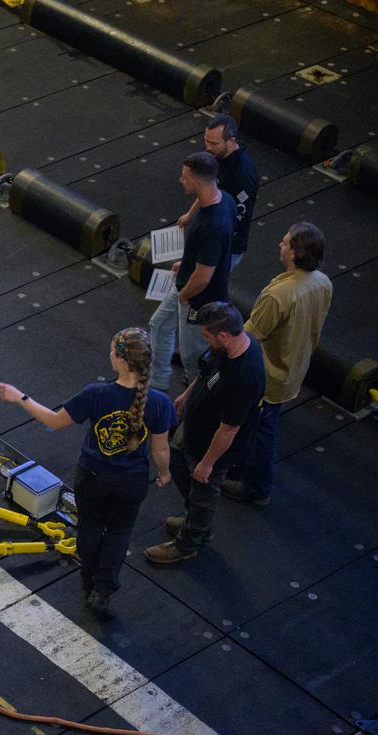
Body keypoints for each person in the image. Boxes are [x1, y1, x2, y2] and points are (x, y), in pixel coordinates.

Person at [0, 328, 174, 617]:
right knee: (119, 532)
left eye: (112, 351)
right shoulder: (161, 402)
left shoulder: (96, 393)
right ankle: (103, 591)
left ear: (120, 359)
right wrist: (164, 473)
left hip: (92, 477)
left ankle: (88, 582)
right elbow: (160, 450)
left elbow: (53, 421)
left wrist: (19, 397)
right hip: (131, 482)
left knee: (89, 528)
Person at [144, 302, 265, 565]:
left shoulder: (243, 377)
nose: (205, 341)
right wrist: (187, 396)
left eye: (207, 336)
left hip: (214, 447)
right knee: (176, 462)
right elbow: (206, 371)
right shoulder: (225, 349)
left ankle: (188, 543)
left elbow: (229, 429)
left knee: (203, 493)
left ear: (223, 336)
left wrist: (207, 464)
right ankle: (195, 520)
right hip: (194, 429)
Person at [222, 223, 332, 506]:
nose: (279, 245)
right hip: (294, 366)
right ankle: (243, 468)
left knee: (262, 430)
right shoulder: (322, 282)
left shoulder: (279, 295)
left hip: (270, 373)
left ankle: (257, 487)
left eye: (284, 243)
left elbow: (250, 334)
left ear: (294, 253)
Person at [148, 151, 237, 391]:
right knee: (158, 324)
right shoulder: (224, 199)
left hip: (196, 300)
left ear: (198, 182)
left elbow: (203, 277)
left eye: (184, 177)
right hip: (186, 283)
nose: (180, 180)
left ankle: (195, 393)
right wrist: (185, 264)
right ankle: (157, 382)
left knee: (192, 355)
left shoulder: (212, 226)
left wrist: (185, 296)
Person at [182, 115, 259, 270]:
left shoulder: (242, 176)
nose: (208, 147)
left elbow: (237, 220)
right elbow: (209, 186)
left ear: (231, 140)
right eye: (206, 140)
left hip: (227, 247)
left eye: (214, 143)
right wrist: (190, 214)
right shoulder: (217, 155)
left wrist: (210, 245)